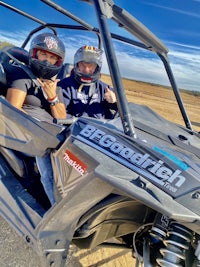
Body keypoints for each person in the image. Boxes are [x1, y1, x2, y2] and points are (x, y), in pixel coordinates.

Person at [6, 32, 67, 205]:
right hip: (27, 131)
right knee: (46, 150)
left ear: (58, 62)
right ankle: (56, 207)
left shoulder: (54, 86)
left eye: (52, 57)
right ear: (35, 54)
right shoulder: (22, 76)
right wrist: (40, 128)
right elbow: (13, 111)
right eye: (43, 54)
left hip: (52, 131)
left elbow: (62, 118)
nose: (47, 61)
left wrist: (52, 97)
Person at [58, 45, 118, 119]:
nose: (86, 70)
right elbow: (60, 114)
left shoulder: (104, 88)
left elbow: (123, 112)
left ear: (97, 67)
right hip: (74, 128)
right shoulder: (65, 86)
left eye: (91, 66)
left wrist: (115, 101)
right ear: (77, 65)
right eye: (83, 65)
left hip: (100, 128)